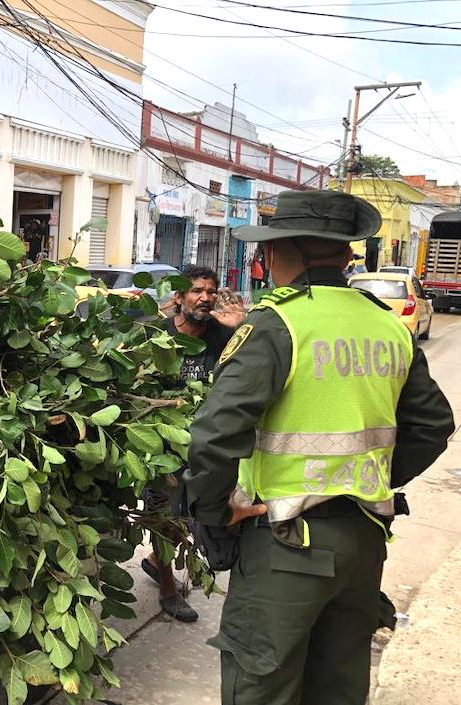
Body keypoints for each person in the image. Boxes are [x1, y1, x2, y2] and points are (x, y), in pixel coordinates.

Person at [183, 190, 455, 705]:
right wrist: (365, 479)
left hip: (286, 543)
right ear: (344, 254)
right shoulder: (386, 324)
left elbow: (216, 433)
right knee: (337, 687)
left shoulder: (277, 323)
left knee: (260, 686)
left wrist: (216, 512)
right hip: (363, 541)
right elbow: (433, 425)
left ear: (283, 251)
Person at [141, 264, 247, 622]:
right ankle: (169, 590)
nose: (205, 297)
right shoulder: (158, 334)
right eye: (197, 291)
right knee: (164, 515)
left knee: (193, 515)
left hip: (205, 443)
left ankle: (158, 561)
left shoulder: (223, 335)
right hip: (162, 443)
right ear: (179, 297)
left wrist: (244, 324)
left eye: (210, 291)